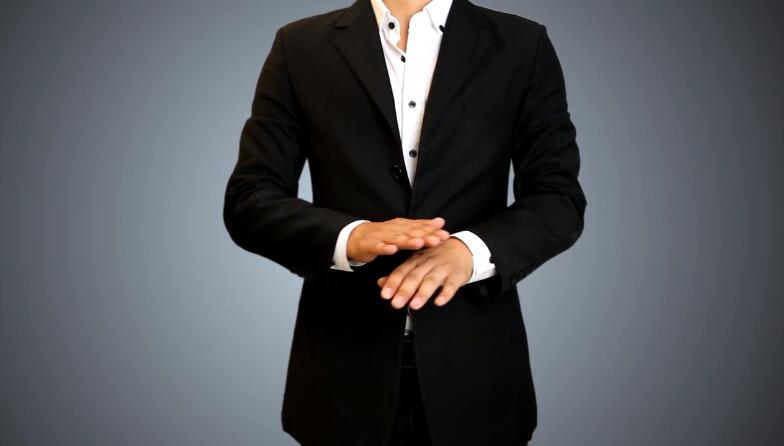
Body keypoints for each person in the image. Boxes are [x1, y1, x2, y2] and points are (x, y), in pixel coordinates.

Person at [222, 0, 586, 444]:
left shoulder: (522, 44)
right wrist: (351, 238)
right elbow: (250, 198)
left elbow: (558, 198)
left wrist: (468, 253)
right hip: (339, 380)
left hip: (480, 381)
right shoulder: (299, 45)